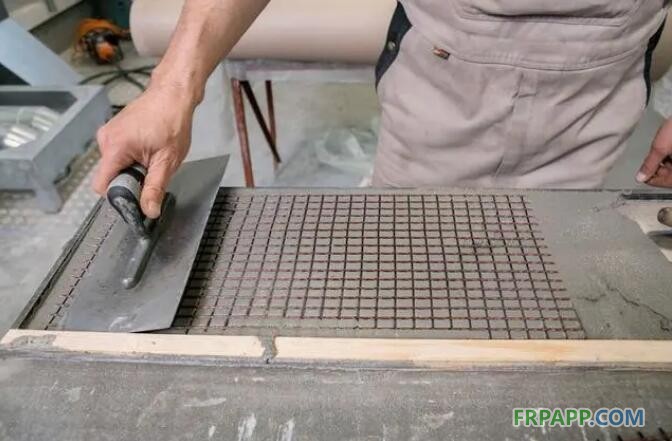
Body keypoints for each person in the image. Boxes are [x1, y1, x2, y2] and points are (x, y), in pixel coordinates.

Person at [93, 0, 672, 219]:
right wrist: (171, 88)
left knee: (552, 271)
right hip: (442, 88)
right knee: (405, 258)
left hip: (596, 95)